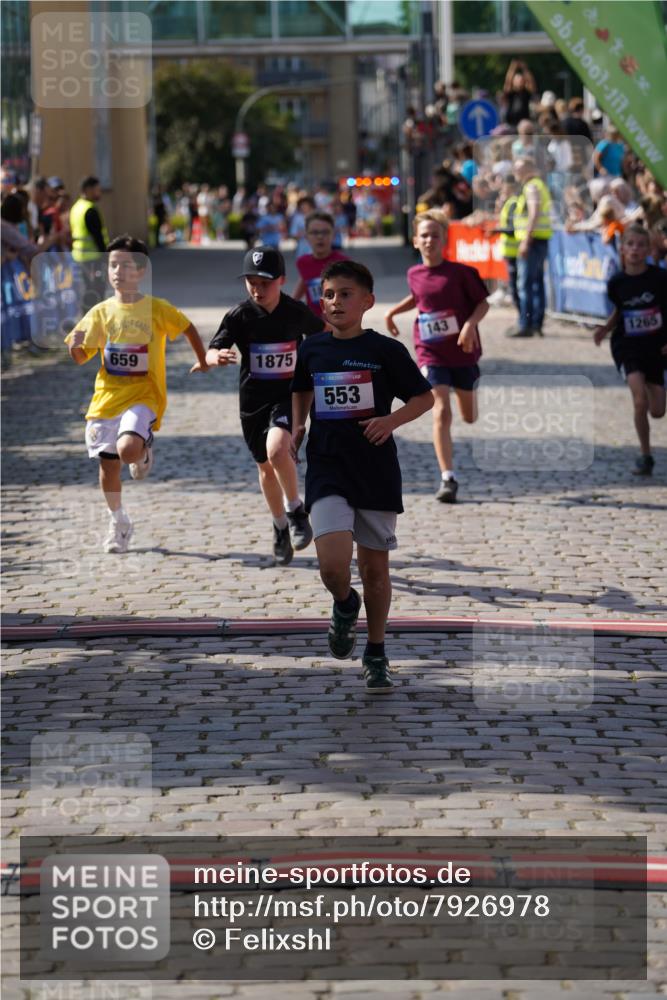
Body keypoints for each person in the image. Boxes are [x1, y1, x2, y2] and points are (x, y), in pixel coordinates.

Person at [291, 260, 433, 693]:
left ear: (367, 301)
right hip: (328, 467)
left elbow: (423, 398)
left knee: (375, 570)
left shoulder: (385, 351)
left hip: (374, 470)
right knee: (333, 567)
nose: (335, 302)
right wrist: (297, 426)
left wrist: (390, 422)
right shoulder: (312, 348)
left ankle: (375, 652)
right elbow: (300, 388)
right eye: (328, 294)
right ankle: (344, 603)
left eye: (345, 294)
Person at [64, 235, 209, 553]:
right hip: (106, 399)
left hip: (145, 396)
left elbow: (186, 327)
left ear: (141, 270)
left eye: (125, 265)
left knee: (128, 449)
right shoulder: (100, 313)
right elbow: (79, 356)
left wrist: (202, 360)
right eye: (113, 264)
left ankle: (142, 451)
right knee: (108, 466)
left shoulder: (156, 309)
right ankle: (118, 522)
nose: (117, 271)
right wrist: (74, 340)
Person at [206, 246, 323, 564]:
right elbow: (213, 348)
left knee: (277, 450)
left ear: (282, 280)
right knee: (265, 468)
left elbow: (324, 335)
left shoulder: (295, 311)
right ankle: (280, 525)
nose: (258, 289)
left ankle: (296, 510)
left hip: (288, 395)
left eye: (265, 283)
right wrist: (214, 357)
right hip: (252, 402)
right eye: (252, 282)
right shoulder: (239, 315)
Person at [384, 209, 489, 504]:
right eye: (424, 235)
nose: (429, 240)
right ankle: (448, 477)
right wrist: (393, 311)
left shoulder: (462, 273)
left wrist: (469, 326)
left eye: (435, 235)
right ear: (415, 241)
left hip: (464, 352)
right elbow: (419, 298)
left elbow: (482, 304)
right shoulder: (414, 273)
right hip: (430, 352)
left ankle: (468, 395)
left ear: (444, 239)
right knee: (440, 410)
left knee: (468, 417)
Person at [593, 224, 666, 476]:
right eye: (630, 244)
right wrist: (605, 329)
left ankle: (647, 383)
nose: (635, 249)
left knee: (657, 411)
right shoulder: (617, 282)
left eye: (640, 245)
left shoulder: (660, 278)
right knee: (639, 400)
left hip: (656, 347)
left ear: (648, 249)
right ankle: (645, 455)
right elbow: (621, 311)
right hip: (627, 345)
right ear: (622, 249)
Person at [509, 157, 553, 338]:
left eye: (518, 169)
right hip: (539, 239)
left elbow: (534, 213)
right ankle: (535, 324)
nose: (516, 173)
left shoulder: (531, 186)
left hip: (533, 241)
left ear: (528, 168)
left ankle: (526, 324)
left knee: (525, 283)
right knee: (536, 282)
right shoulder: (538, 184)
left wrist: (526, 240)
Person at [293, 211, 347, 318]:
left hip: (338, 327)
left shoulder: (344, 263)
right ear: (306, 236)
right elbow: (305, 282)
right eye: (314, 232)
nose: (320, 237)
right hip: (313, 327)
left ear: (333, 235)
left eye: (325, 232)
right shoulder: (302, 262)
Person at [70, 175, 109, 311]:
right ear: (88, 190)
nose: (99, 193)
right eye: (97, 190)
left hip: (79, 258)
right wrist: (107, 256)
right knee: (96, 293)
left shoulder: (76, 207)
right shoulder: (90, 209)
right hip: (93, 259)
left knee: (86, 293)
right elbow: (97, 237)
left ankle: (87, 322)